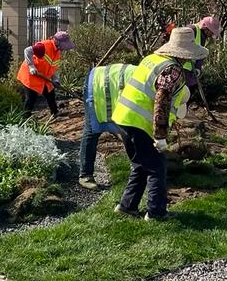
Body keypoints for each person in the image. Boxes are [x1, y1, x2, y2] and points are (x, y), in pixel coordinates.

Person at [111, 27, 207, 220]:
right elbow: (162, 102)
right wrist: (160, 136)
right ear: (186, 53)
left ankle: (127, 206)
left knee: (140, 164)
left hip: (123, 117)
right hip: (139, 122)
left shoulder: (152, 59)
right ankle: (156, 213)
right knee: (157, 167)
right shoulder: (173, 70)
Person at [78, 62, 136, 190]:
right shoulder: (146, 87)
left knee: (129, 129)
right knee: (92, 130)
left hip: (111, 87)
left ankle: (139, 167)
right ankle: (85, 175)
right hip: (96, 85)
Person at [16, 30, 74, 117]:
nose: (65, 48)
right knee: (31, 97)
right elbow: (27, 50)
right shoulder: (43, 46)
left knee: (50, 93)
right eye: (65, 44)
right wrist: (31, 66)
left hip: (43, 76)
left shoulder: (57, 52)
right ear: (58, 42)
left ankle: (55, 113)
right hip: (30, 75)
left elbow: (54, 68)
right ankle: (25, 118)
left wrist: (56, 80)